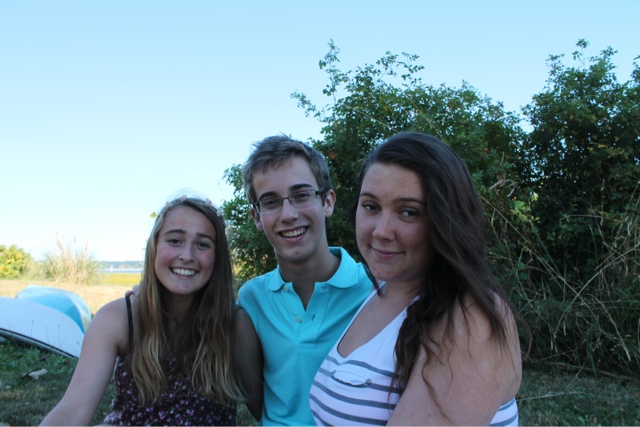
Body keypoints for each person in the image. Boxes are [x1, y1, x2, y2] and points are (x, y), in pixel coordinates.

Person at [309, 132, 523, 426]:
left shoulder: (471, 318)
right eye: (371, 206)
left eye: (409, 212)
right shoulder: (380, 293)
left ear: (446, 221)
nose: (381, 231)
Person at [41, 195, 242, 426]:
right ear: (154, 247)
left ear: (218, 256)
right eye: (175, 240)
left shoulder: (235, 325)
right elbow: (72, 411)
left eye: (203, 244)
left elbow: (271, 406)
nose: (187, 255)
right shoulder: (117, 319)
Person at [237, 135, 373, 425]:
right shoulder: (252, 299)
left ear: (327, 201)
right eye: (270, 202)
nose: (288, 214)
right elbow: (256, 399)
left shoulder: (375, 290)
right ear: (257, 218)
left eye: (301, 195)